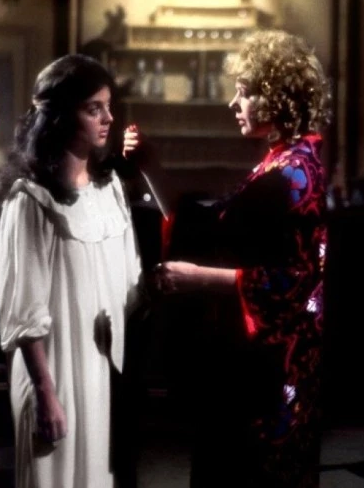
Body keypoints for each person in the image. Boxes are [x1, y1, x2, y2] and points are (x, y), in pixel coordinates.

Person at [124, 29, 331, 488]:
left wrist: (196, 278)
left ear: (277, 97)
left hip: (269, 371)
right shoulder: (281, 162)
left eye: (244, 92)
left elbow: (296, 280)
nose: (233, 103)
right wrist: (150, 165)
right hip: (254, 364)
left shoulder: (295, 173)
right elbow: (208, 226)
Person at [0, 54, 145, 488]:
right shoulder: (30, 200)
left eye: (108, 107)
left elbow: (130, 284)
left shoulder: (109, 190)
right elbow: (24, 312)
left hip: (102, 368)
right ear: (60, 117)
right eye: (94, 108)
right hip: (55, 368)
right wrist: (46, 395)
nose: (108, 119)